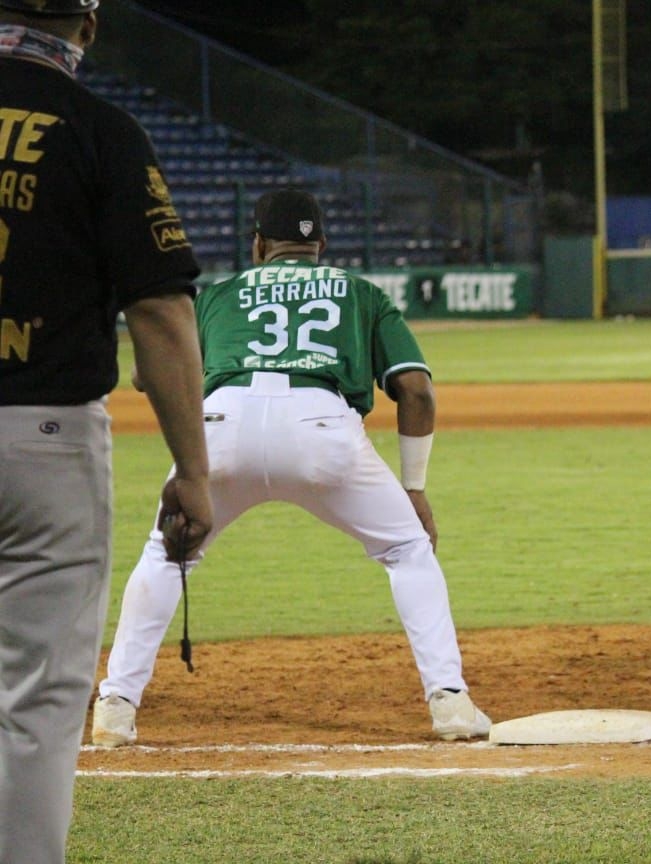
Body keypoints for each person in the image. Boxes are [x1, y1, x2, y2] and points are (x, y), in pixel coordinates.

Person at [91, 189, 491, 747]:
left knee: (167, 553)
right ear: (320, 245)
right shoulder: (361, 293)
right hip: (322, 430)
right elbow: (416, 392)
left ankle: (115, 707)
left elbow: (148, 374)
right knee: (406, 550)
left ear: (258, 245)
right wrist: (414, 489)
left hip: (221, 426)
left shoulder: (218, 295)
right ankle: (449, 703)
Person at [0, 1, 213, 861]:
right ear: (84, 25)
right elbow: (160, 312)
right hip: (46, 440)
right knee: (39, 705)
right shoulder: (99, 129)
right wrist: (192, 469)